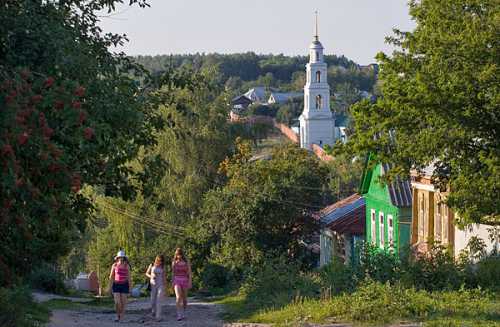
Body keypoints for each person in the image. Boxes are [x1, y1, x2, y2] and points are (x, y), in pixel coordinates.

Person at [109, 250, 131, 322]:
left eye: (122, 257)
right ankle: (118, 314)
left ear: (124, 258)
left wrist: (130, 288)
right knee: (117, 302)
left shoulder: (126, 266)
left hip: (124, 285)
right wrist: (109, 287)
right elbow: (111, 276)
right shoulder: (114, 265)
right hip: (116, 284)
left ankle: (121, 317)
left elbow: (129, 277)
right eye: (120, 257)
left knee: (123, 302)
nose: (121, 258)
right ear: (117, 258)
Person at [171, 248, 192, 321]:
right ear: (175, 255)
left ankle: (184, 312)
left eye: (179, 254)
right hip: (177, 280)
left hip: (185, 280)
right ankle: (179, 314)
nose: (178, 256)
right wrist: (172, 282)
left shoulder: (186, 262)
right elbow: (173, 273)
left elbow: (189, 272)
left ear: (182, 254)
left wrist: (190, 282)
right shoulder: (174, 262)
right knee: (178, 297)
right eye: (177, 255)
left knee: (184, 299)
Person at [145, 255, 166, 321]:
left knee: (159, 300)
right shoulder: (151, 265)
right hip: (153, 285)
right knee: (152, 301)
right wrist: (151, 276)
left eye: (161, 261)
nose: (160, 262)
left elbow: (164, 277)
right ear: (156, 259)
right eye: (159, 260)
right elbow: (146, 273)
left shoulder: (163, 267)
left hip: (160, 285)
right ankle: (153, 312)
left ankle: (158, 316)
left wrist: (165, 288)